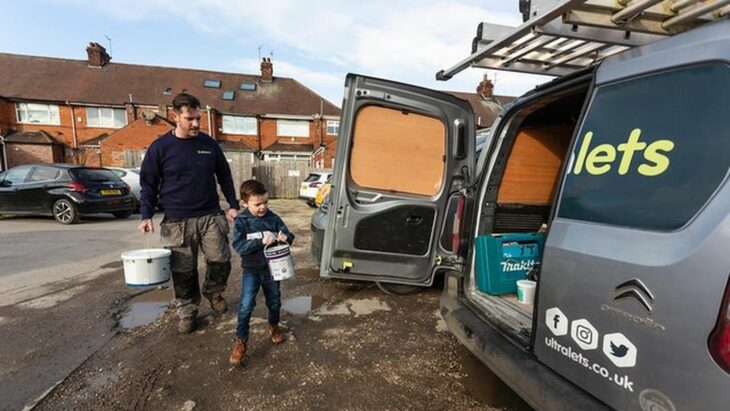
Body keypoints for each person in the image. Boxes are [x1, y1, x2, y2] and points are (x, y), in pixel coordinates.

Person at [138, 92, 239, 334]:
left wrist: (233, 204)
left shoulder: (209, 144)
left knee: (221, 261)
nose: (195, 124)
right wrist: (145, 215)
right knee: (183, 271)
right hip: (177, 220)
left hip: (211, 216)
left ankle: (214, 293)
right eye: (189, 119)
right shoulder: (160, 148)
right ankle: (187, 310)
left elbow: (224, 175)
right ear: (175, 117)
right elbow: (148, 184)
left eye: (198, 118)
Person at [229, 179, 295, 366]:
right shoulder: (242, 221)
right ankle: (241, 340)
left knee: (274, 301)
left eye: (265, 202)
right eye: (257, 204)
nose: (262, 207)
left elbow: (289, 235)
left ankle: (274, 327)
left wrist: (285, 237)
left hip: (273, 270)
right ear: (244, 203)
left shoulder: (273, 218)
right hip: (252, 271)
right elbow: (238, 245)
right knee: (246, 305)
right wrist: (260, 242)